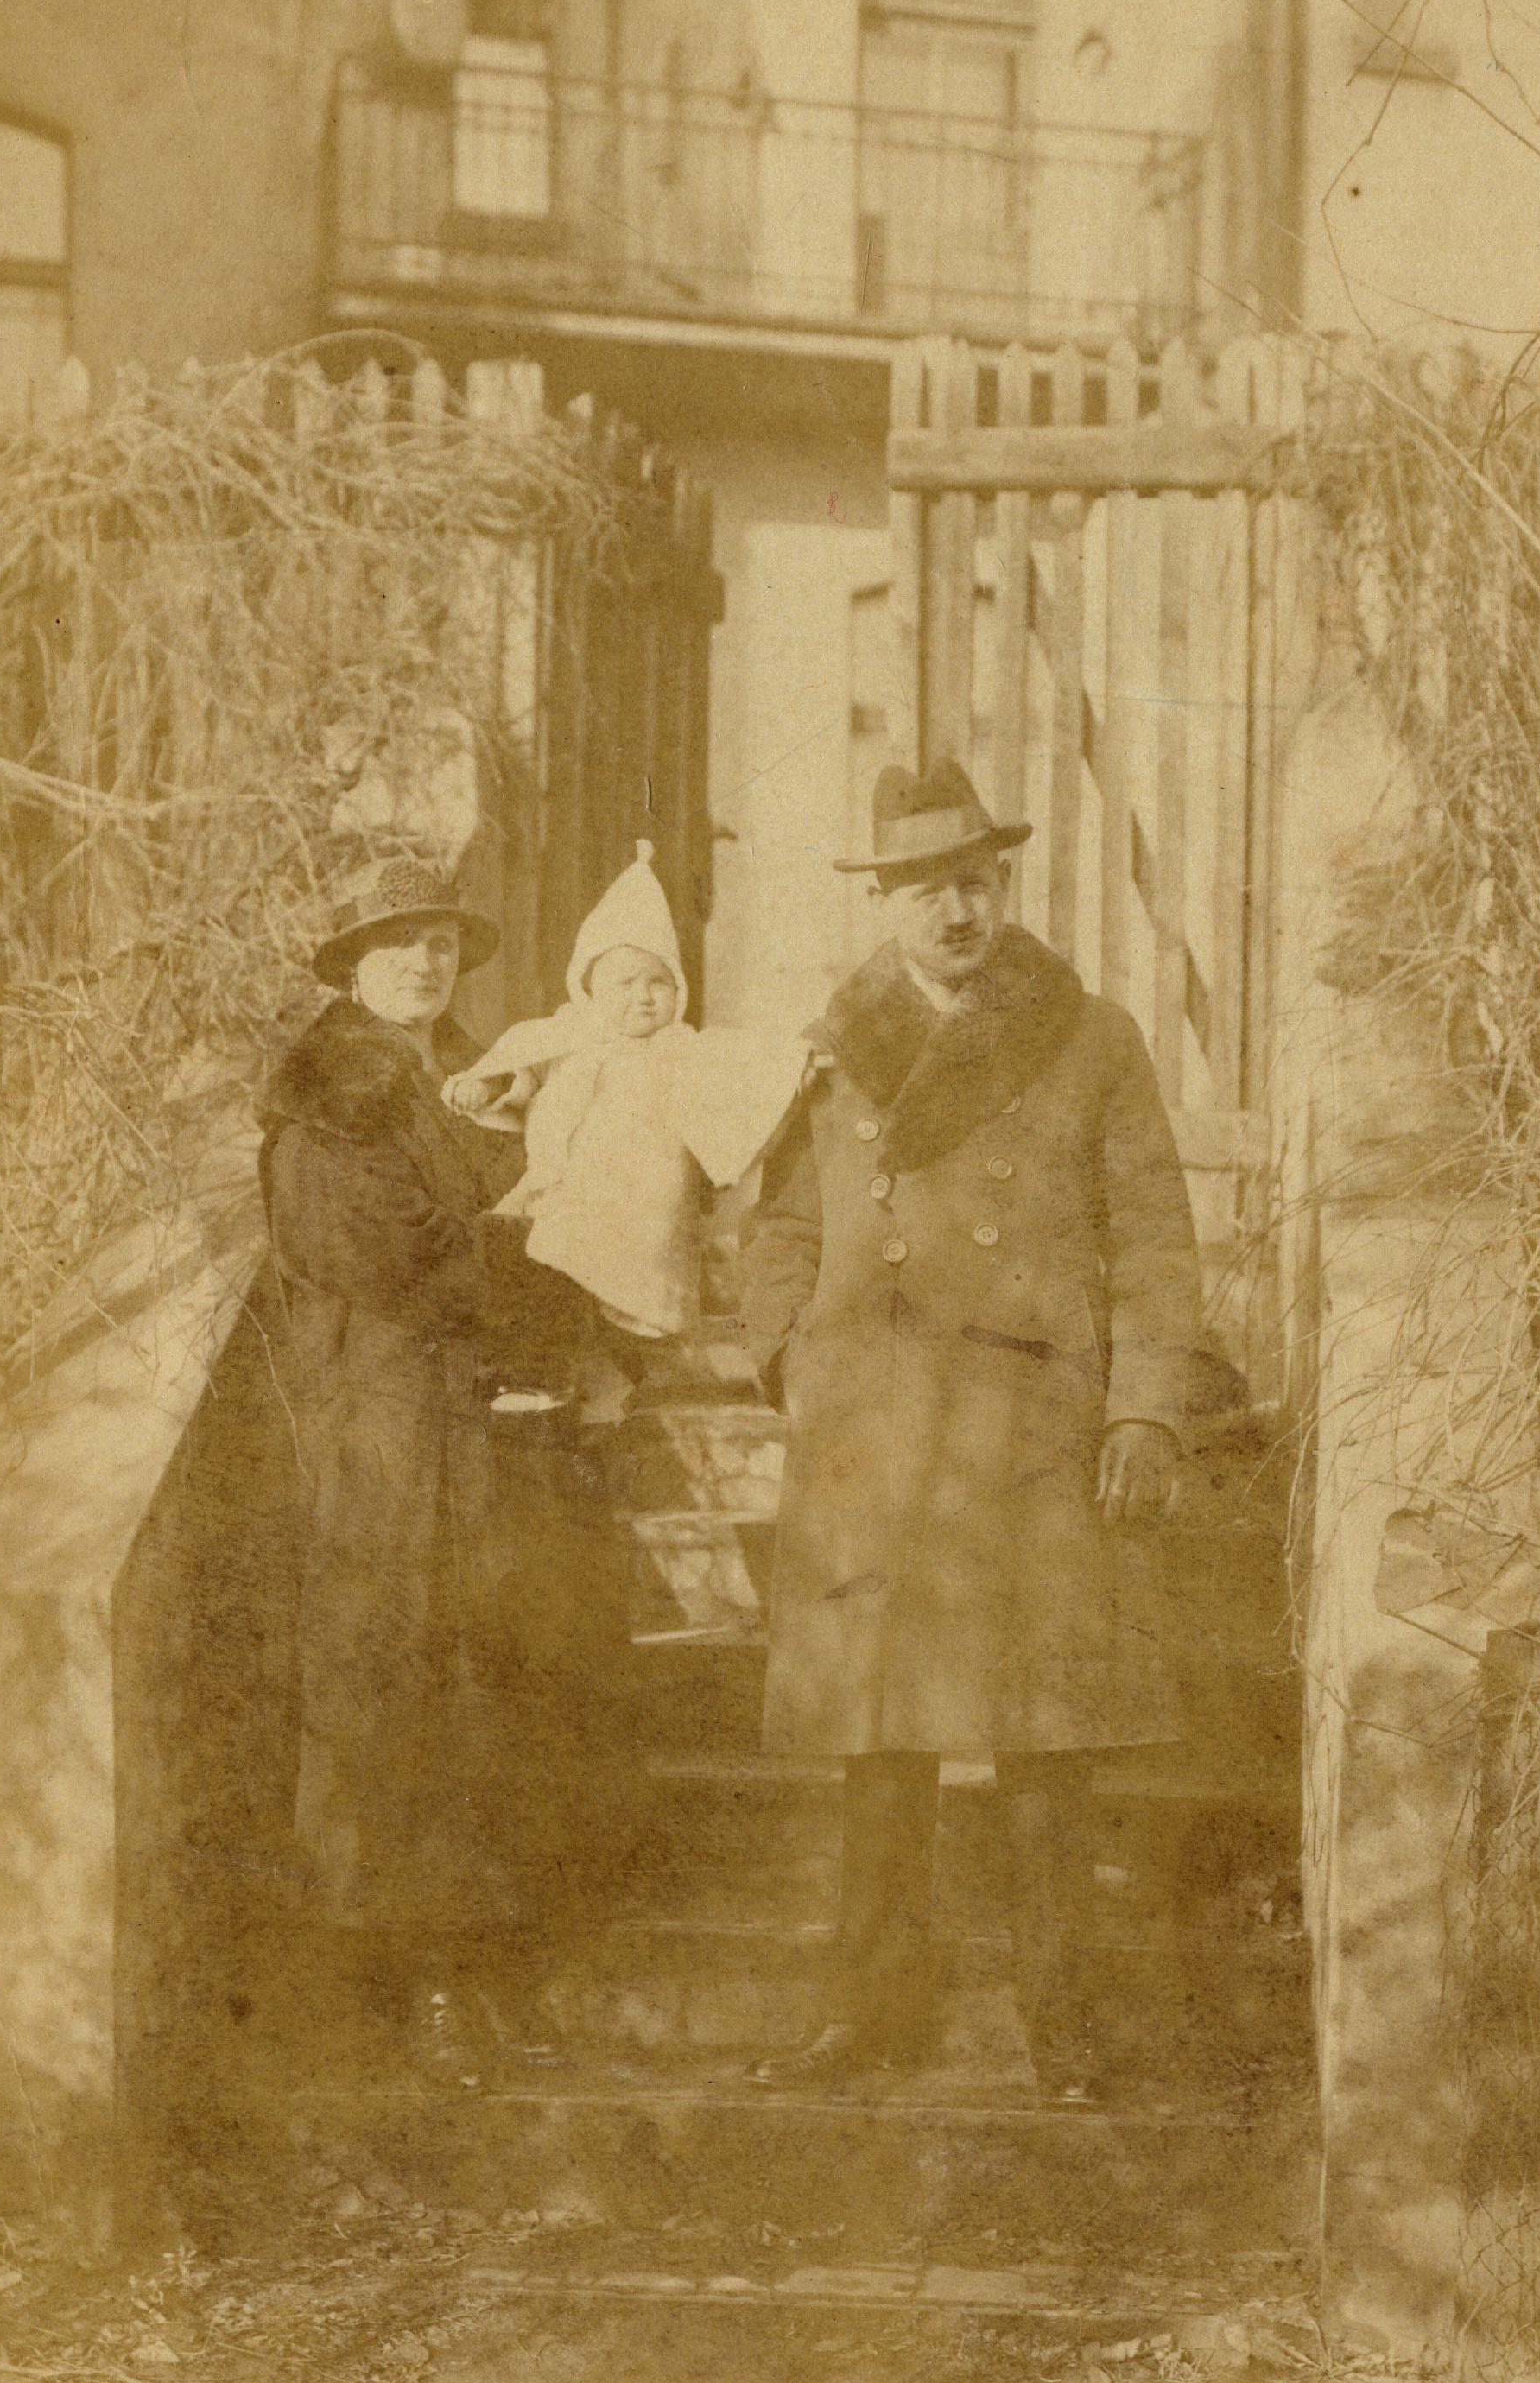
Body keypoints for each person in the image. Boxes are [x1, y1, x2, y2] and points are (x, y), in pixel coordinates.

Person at [738, 764, 1201, 2103]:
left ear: (1001, 888)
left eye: (975, 883)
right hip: (872, 1422)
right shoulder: (831, 1047)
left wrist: (1144, 1407)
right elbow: (778, 1227)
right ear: (883, 900)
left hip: (1031, 1424)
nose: (956, 911)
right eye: (925, 889)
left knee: (1044, 1744)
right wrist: (788, 1357)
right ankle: (867, 2014)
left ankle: (1063, 2028)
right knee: (877, 1739)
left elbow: (1153, 1240)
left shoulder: (1087, 1036)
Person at [257, 857, 604, 2086]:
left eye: (441, 941)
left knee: (489, 1686)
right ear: (352, 966)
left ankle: (485, 1965)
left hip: (482, 1426)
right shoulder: (330, 1100)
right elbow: (383, 1256)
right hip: (379, 1427)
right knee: (385, 1687)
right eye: (395, 941)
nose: (423, 961)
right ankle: (400, 1984)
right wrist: (526, 1243)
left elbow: (567, 1205)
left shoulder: (478, 1080)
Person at [443, 839, 815, 1365]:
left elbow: (742, 1065)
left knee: (628, 1292)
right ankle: (549, 1365)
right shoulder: (567, 1033)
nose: (643, 996)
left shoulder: (680, 1046)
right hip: (564, 1189)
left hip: (642, 1205)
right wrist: (485, 1087)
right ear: (589, 987)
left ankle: (630, 1355)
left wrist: (793, 1066)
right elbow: (522, 1072)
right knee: (532, 1268)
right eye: (625, 983)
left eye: (658, 982)